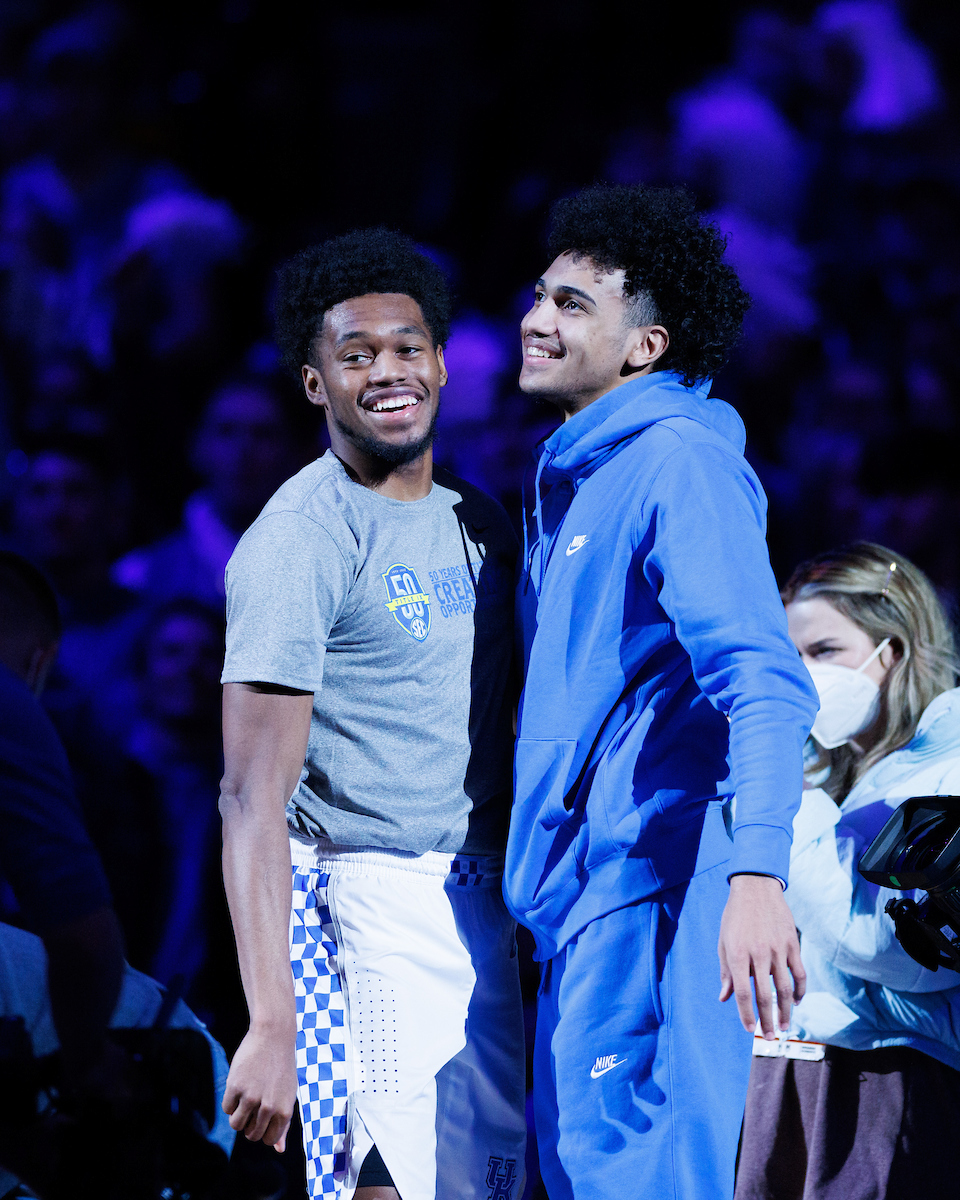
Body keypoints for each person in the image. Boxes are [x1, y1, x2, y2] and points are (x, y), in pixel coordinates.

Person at [504, 183, 819, 1199]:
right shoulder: (581, 475)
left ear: (645, 347)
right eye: (540, 295)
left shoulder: (677, 461)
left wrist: (756, 873)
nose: (536, 320)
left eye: (571, 305)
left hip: (659, 881)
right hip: (589, 897)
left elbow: (764, 679)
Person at [219, 228, 526, 1200]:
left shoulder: (482, 520)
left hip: (483, 909)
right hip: (361, 906)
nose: (387, 371)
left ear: (441, 361)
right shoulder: (301, 536)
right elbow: (247, 797)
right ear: (317, 383)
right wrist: (272, 1019)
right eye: (355, 355)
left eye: (406, 347)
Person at [736, 542, 960, 1200]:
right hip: (789, 1075)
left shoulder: (947, 764)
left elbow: (896, 948)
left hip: (884, 1085)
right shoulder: (833, 772)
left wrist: (777, 795)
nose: (801, 675)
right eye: (789, 658)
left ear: (890, 651)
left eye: (824, 651)